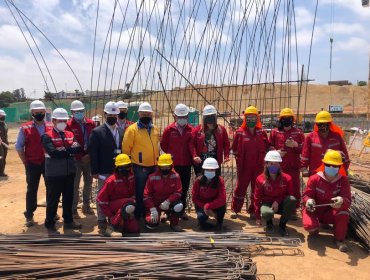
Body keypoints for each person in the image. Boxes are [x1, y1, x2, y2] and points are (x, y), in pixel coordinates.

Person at [302, 149, 351, 252]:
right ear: (324, 164)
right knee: (311, 227)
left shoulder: (343, 181)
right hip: (314, 210)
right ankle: (315, 226)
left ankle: (339, 239)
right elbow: (306, 195)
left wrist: (342, 200)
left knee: (343, 212)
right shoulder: (314, 178)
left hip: (330, 213)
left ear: (340, 166)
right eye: (328, 164)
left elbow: (348, 199)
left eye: (335, 166)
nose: (331, 167)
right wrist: (309, 200)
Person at [42, 108, 82, 233]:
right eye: (60, 121)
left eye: (65, 120)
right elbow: (53, 153)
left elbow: (78, 148)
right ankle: (50, 224)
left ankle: (68, 221)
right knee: (53, 200)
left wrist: (63, 150)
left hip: (69, 172)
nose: (63, 123)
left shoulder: (70, 134)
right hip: (54, 174)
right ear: (53, 121)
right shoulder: (47, 136)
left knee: (68, 198)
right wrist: (69, 150)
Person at [15, 100, 54, 227]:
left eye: (41, 112)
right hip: (32, 163)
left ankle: (52, 213)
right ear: (32, 113)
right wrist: (25, 162)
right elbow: (19, 147)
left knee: (51, 188)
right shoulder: (25, 128)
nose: (39, 114)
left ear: (44, 112)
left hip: (48, 163)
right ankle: (30, 215)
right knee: (32, 189)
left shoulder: (51, 126)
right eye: (37, 112)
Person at [89, 101, 123, 232]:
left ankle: (112, 217)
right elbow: (93, 153)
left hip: (118, 170)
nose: (113, 117)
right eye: (110, 115)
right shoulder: (97, 132)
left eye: (115, 115)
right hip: (103, 170)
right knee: (102, 195)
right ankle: (101, 219)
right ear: (105, 114)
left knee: (115, 195)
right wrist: (94, 171)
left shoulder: (121, 130)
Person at [123, 102, 160, 218]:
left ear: (151, 115)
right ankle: (140, 213)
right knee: (140, 191)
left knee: (152, 191)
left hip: (154, 165)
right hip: (140, 166)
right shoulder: (132, 130)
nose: (146, 116)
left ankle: (151, 212)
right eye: (143, 114)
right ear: (139, 114)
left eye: (148, 114)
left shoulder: (155, 129)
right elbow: (126, 148)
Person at [231, 106, 268, 219]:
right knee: (240, 187)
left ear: (257, 118)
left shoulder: (262, 132)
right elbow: (234, 148)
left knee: (256, 189)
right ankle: (235, 209)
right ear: (245, 118)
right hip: (244, 166)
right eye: (248, 117)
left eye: (253, 117)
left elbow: (268, 146)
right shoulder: (239, 132)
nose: (251, 119)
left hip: (258, 166)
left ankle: (253, 209)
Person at [160, 103, 195, 220]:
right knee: (169, 189)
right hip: (173, 166)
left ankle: (181, 211)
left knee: (183, 189)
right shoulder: (169, 130)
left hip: (186, 165)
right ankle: (166, 211)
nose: (182, 119)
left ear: (187, 116)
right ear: (174, 116)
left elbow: (193, 146)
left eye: (184, 117)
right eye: (179, 117)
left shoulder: (191, 130)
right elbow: (163, 145)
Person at [269, 108, 305, 212]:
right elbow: (269, 146)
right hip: (279, 167)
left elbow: (305, 148)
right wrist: (276, 152)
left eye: (289, 118)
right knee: (278, 186)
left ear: (293, 120)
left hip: (293, 166)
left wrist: (296, 145)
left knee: (294, 187)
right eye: (284, 118)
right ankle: (278, 207)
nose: (287, 120)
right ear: (280, 120)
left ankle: (293, 209)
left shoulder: (298, 132)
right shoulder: (275, 132)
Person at [254, 151, 296, 236]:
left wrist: (277, 201)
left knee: (292, 200)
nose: (274, 166)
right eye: (271, 163)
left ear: (279, 164)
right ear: (266, 164)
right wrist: (258, 217)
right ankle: (269, 222)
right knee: (266, 213)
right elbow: (257, 198)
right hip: (267, 203)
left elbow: (289, 194)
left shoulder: (287, 178)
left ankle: (282, 225)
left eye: (276, 164)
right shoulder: (260, 179)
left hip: (281, 204)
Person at [96, 154, 140, 237]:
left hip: (128, 206)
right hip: (113, 206)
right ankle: (112, 227)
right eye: (121, 167)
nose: (125, 169)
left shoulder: (131, 177)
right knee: (129, 202)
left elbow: (133, 193)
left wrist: (131, 210)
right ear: (116, 167)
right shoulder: (111, 180)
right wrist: (111, 215)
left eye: (127, 166)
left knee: (135, 230)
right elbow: (100, 200)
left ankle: (121, 224)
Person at [66, 100, 95, 218]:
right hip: (75, 159)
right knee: (75, 184)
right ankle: (73, 209)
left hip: (88, 158)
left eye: (81, 111)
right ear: (72, 112)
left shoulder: (91, 123)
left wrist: (89, 155)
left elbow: (94, 141)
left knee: (88, 182)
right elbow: (69, 143)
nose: (79, 113)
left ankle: (86, 205)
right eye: (76, 111)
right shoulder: (68, 125)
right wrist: (80, 156)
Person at [301, 110, 350, 176]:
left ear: (330, 124)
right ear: (316, 124)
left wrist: (344, 169)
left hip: (334, 175)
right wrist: (304, 169)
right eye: (320, 124)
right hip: (316, 175)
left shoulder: (337, 137)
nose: (323, 126)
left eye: (326, 123)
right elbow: (305, 156)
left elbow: (345, 156)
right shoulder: (310, 137)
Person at [143, 154, 183, 232]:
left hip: (168, 203)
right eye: (162, 167)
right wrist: (152, 208)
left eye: (167, 166)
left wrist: (168, 201)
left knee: (178, 206)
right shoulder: (152, 177)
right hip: (155, 204)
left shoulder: (176, 176)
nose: (165, 168)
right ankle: (158, 216)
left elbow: (178, 192)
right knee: (151, 223)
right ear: (159, 166)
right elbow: (146, 195)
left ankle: (174, 224)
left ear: (171, 166)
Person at [192, 105, 230, 176]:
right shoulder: (197, 130)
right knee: (201, 182)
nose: (210, 121)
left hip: (215, 161)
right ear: (204, 118)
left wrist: (226, 156)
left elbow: (226, 143)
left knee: (215, 182)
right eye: (207, 118)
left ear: (215, 118)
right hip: (200, 161)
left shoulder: (221, 130)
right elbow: (192, 144)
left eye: (211, 117)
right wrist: (195, 155)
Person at [192, 157, 226, 231]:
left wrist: (209, 206)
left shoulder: (220, 180)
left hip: (215, 204)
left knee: (222, 207)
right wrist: (204, 206)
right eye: (207, 170)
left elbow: (222, 199)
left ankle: (219, 223)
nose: (210, 171)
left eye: (212, 170)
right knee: (201, 217)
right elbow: (195, 198)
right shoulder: (198, 181)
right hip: (202, 204)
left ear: (216, 170)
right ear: (203, 170)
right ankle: (203, 224)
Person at [0, 109, 9, 177]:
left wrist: (6, 143)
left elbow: (6, 135)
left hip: (5, 143)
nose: (3, 117)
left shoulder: (5, 124)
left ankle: (2, 172)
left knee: (4, 158)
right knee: (1, 158)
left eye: (3, 116)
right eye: (2, 116)